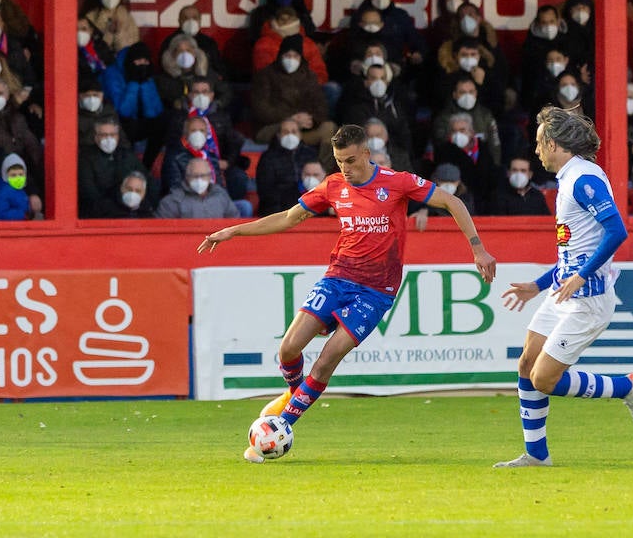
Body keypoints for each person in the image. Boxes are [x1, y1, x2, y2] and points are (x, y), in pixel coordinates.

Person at [198, 124, 497, 463]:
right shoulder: (333, 185)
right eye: (340, 162)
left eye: (352, 161)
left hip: (375, 290)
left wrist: (478, 249)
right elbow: (289, 217)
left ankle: (282, 424)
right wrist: (234, 231)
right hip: (337, 277)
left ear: (367, 154)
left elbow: (451, 200)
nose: (346, 169)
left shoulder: (397, 182)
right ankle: (297, 394)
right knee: (289, 348)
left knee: (327, 359)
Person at [494, 106, 633, 468]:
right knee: (526, 363)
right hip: (562, 291)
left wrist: (580, 276)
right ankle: (536, 456)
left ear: (553, 143)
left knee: (544, 378)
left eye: (538, 144)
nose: (535, 151)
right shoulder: (570, 179)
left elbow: (617, 231)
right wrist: (538, 284)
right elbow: (571, 255)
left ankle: (629, 386)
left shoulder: (583, 179)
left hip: (588, 299)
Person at [78, 119, 144, 219]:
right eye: (104, 135)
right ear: (96, 138)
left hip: (129, 212)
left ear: (118, 137)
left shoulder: (127, 155)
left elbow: (147, 180)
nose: (109, 139)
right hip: (99, 214)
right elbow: (89, 192)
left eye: (113, 135)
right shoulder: (85, 158)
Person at [255, 118, 318, 216]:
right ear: (279, 136)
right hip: (277, 210)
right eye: (285, 132)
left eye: (294, 131)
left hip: (307, 206)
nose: (290, 135)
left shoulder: (311, 154)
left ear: (300, 135)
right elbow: (265, 191)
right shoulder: (268, 157)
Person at [0, 153, 31, 221]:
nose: (18, 178)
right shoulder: (2, 192)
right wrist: (22, 215)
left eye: (21, 174)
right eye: (13, 175)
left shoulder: (20, 190)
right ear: (5, 175)